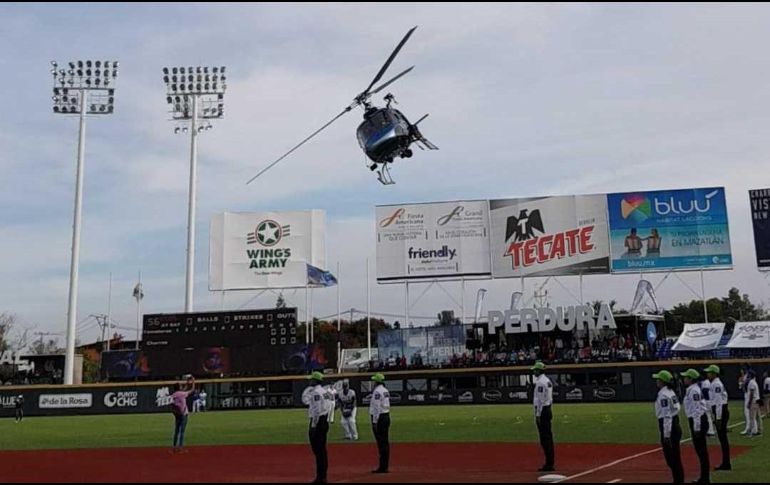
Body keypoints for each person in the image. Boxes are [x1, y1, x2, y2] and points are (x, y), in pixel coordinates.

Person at [653, 370, 684, 484]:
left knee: (672, 459)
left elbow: (666, 415)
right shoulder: (671, 392)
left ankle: (678, 480)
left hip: (669, 425)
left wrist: (666, 435)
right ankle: (678, 479)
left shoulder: (663, 394)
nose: (656, 381)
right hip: (675, 423)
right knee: (675, 457)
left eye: (658, 379)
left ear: (662, 381)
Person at [681, 369, 710, 485]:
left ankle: (705, 478)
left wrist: (696, 427)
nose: (684, 379)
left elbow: (697, 409)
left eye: (686, 377)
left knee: (701, 451)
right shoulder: (692, 390)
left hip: (698, 420)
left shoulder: (694, 391)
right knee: (701, 451)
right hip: (697, 420)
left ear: (691, 379)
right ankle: (704, 477)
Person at [305, 372, 331, 484]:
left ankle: (320, 477)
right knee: (322, 451)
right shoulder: (324, 391)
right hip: (324, 420)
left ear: (315, 381)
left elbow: (316, 411)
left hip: (318, 421)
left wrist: (313, 426)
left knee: (318, 450)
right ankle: (323, 475)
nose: (310, 381)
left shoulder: (316, 392)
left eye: (312, 380)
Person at [704, 365, 731, 471]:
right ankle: (726, 462)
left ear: (714, 373)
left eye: (709, 372)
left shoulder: (716, 384)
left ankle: (726, 463)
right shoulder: (715, 383)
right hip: (720, 410)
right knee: (722, 439)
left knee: (723, 439)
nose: (707, 374)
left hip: (721, 411)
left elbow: (719, 402)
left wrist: (718, 417)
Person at [532, 361, 555, 472]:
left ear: (539, 370)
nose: (534, 372)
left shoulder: (541, 383)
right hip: (548, 408)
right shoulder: (548, 381)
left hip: (543, 411)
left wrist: (538, 414)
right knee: (548, 437)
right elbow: (550, 399)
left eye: (535, 370)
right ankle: (550, 462)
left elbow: (540, 400)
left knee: (545, 438)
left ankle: (549, 463)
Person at [369, 373, 391, 474]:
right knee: (385, 442)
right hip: (386, 415)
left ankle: (382, 466)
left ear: (377, 382)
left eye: (374, 381)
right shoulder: (385, 390)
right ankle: (385, 465)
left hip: (380, 417)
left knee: (381, 442)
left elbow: (377, 407)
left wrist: (374, 421)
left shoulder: (377, 391)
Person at [171, 376, 195, 453]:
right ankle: (180, 448)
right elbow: (191, 390)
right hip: (183, 414)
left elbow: (183, 390)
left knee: (176, 431)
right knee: (182, 432)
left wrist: (187, 383)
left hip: (177, 414)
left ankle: (174, 448)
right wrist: (193, 382)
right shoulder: (181, 394)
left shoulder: (174, 394)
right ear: (179, 387)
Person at [746, 370, 763, 436]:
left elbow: (752, 394)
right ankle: (760, 430)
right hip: (757, 400)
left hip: (753, 401)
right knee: (758, 417)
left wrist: (749, 403)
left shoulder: (751, 382)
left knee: (752, 417)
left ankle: (750, 432)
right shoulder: (754, 382)